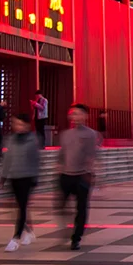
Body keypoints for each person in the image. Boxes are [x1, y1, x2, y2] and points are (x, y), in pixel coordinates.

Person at [57, 104, 99, 250]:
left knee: (81, 208)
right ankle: (69, 228)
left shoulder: (91, 134)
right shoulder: (65, 134)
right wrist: (59, 167)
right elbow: (62, 154)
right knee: (60, 205)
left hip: (82, 175)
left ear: (85, 116)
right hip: (66, 175)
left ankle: (76, 237)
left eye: (79, 114)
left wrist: (90, 172)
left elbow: (92, 155)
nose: (76, 117)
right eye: (73, 114)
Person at [0, 115, 40, 251]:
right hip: (13, 177)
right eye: (16, 124)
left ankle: (16, 238)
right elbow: (7, 159)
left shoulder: (33, 140)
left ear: (27, 126)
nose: (18, 127)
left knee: (21, 207)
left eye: (21, 124)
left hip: (27, 177)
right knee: (14, 208)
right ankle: (29, 230)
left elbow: (36, 160)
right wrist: (3, 176)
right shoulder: (11, 140)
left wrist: (35, 178)